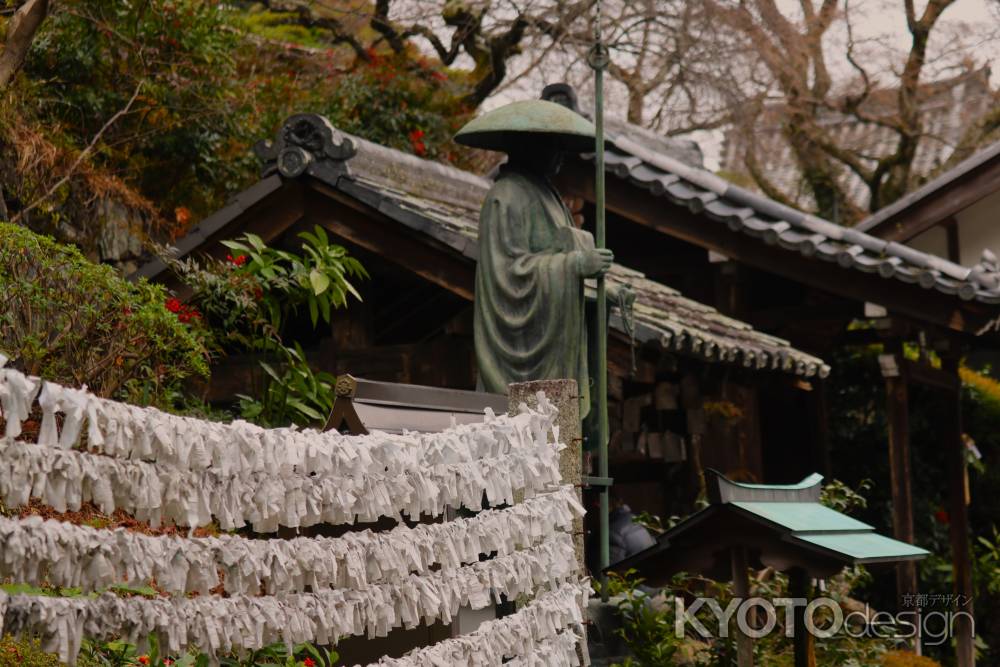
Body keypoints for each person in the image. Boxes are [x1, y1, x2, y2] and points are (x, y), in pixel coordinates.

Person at [455, 100, 613, 416]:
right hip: (522, 352)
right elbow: (509, 274)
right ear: (529, 147)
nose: (559, 156)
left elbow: (561, 249)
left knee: (565, 446)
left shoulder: (547, 193)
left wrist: (604, 291)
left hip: (557, 331)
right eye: (551, 146)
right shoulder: (507, 195)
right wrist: (576, 265)